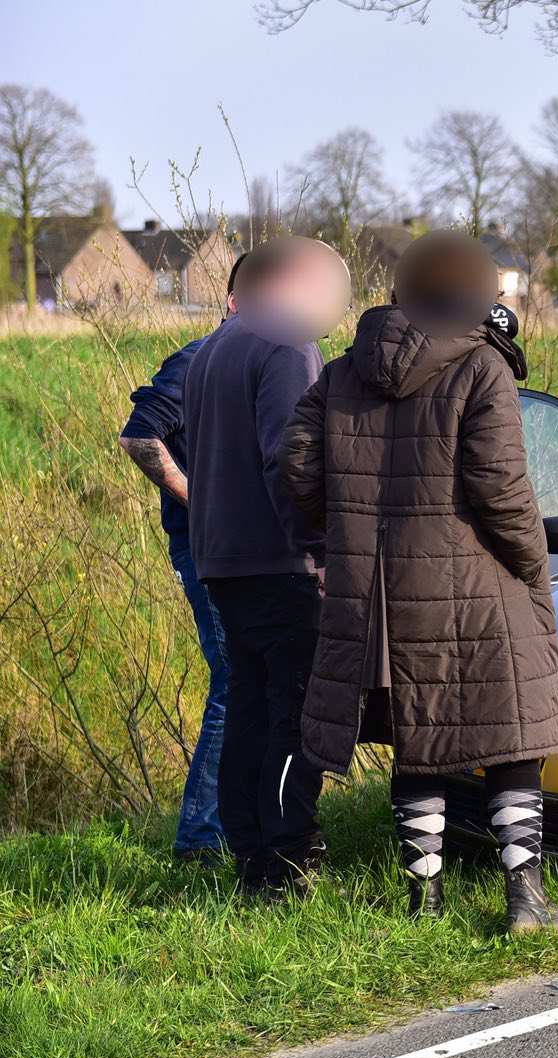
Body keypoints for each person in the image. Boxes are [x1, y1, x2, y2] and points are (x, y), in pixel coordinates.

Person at [280, 230, 558, 935]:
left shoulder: (341, 372)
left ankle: (425, 899)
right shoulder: (481, 368)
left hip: (380, 600)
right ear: (478, 296)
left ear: (403, 293)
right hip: (480, 588)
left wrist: (338, 532)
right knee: (514, 740)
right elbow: (500, 485)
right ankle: (527, 902)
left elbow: (296, 459)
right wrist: (532, 563)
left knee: (417, 742)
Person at [184, 237, 344, 898]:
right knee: (297, 718)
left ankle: (252, 862)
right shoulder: (286, 342)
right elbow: (292, 457)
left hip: (224, 559)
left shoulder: (215, 346)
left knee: (251, 711)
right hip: (281, 561)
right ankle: (288, 864)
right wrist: (322, 549)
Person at [117, 253, 245, 863]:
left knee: (253, 683)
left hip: (250, 553)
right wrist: (207, 500)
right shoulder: (197, 359)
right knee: (233, 681)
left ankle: (240, 826)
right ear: (232, 302)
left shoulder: (274, 365)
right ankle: (200, 838)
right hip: (205, 548)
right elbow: (139, 435)